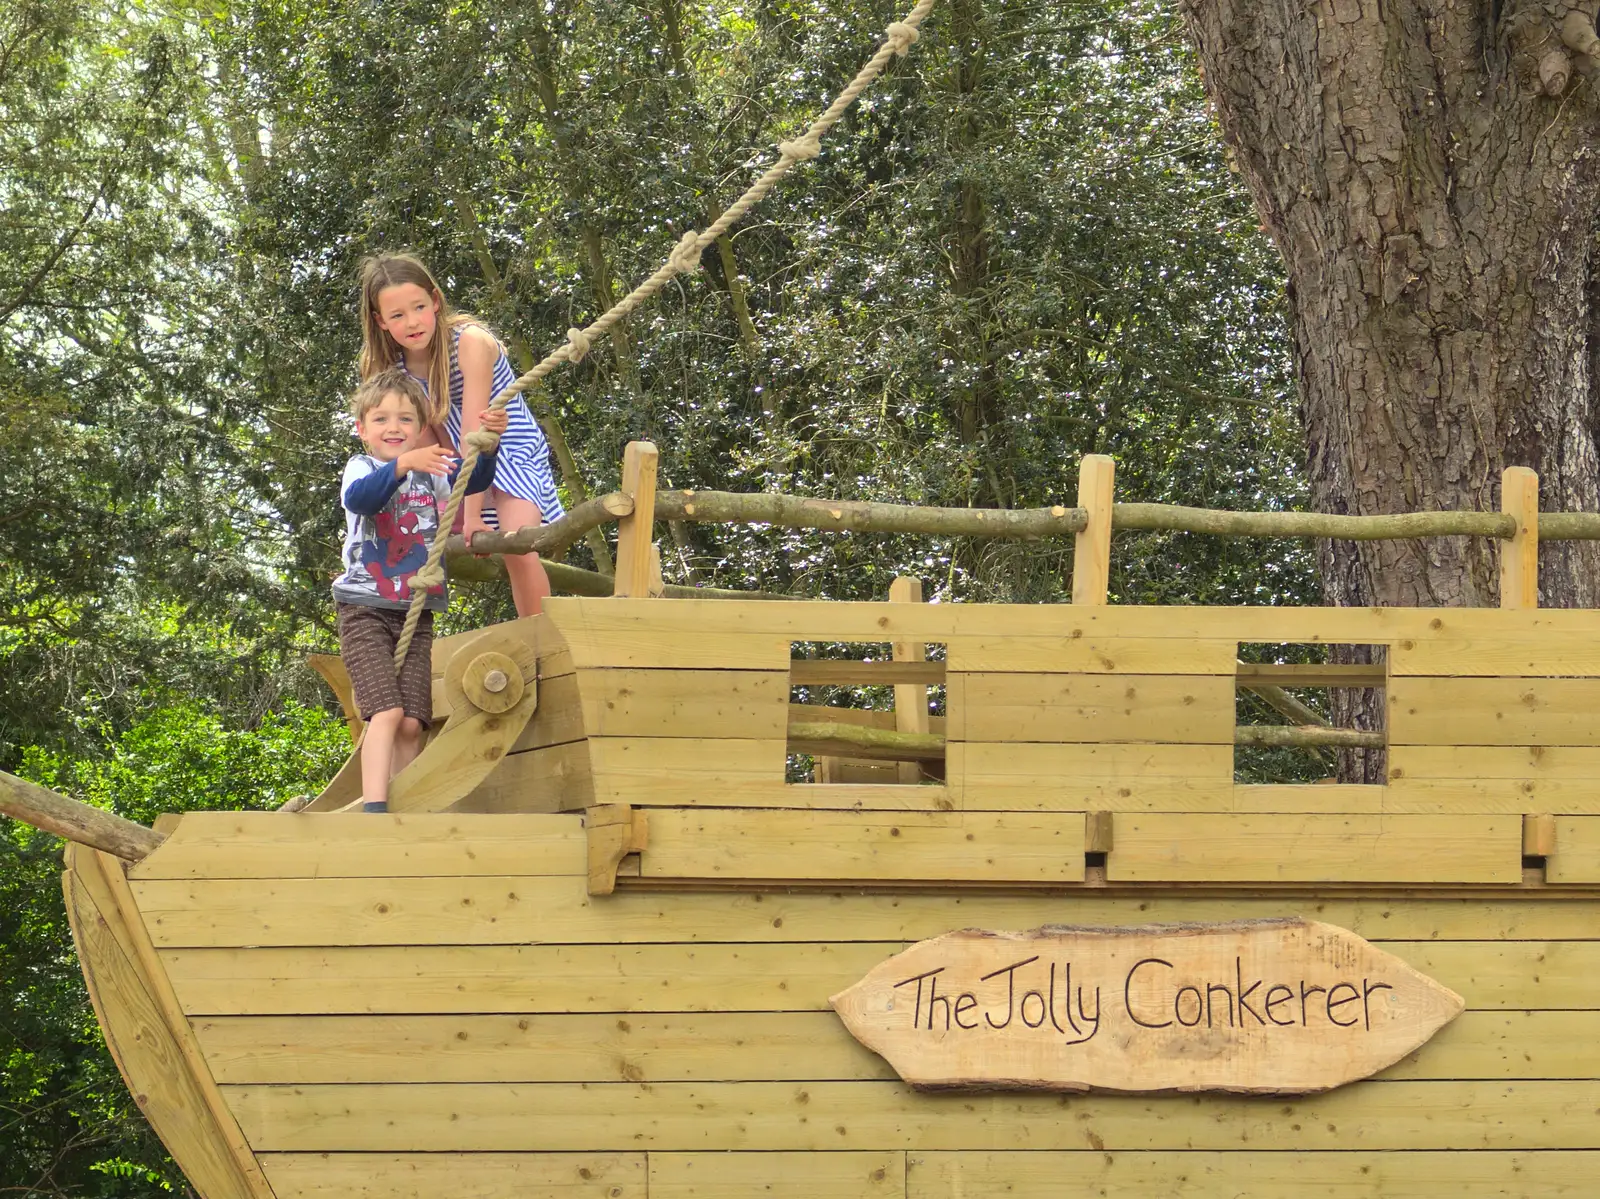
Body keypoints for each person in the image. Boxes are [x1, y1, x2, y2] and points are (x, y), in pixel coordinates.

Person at [333, 367, 507, 812]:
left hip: (415, 608)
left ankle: (405, 804)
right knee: (386, 713)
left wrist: (487, 448)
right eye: (382, 419)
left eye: (406, 419)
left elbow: (475, 482)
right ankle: (375, 810)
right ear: (362, 429)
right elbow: (361, 500)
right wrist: (402, 465)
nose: (394, 428)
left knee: (412, 723)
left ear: (420, 426)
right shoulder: (363, 467)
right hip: (364, 607)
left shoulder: (432, 474)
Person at [356, 251, 564, 616]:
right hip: (453, 463)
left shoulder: (470, 342)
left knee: (515, 545)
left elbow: (475, 431)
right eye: (397, 315)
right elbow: (417, 440)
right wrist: (440, 508)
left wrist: (471, 516)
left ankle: (543, 642)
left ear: (435, 301)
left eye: (419, 307)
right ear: (381, 321)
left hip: (506, 450)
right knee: (419, 546)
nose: (412, 322)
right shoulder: (391, 369)